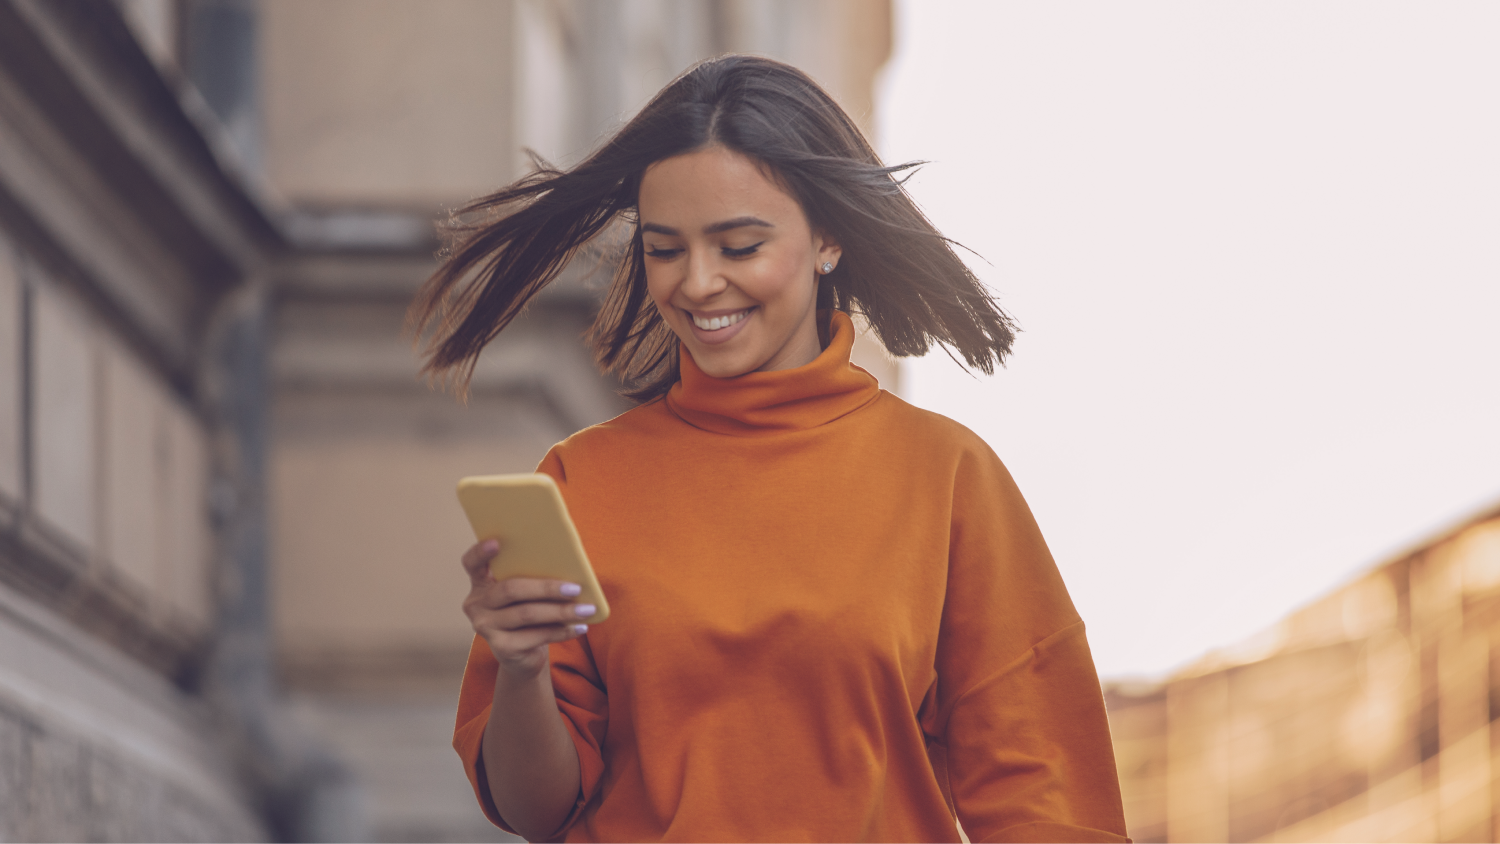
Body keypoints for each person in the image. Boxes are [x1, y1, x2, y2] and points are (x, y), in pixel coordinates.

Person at [409, 55, 1130, 844]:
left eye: (739, 245)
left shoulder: (947, 476)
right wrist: (521, 669)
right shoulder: (582, 481)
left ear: (827, 240)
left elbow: (1044, 798)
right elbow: (534, 810)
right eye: (665, 249)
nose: (697, 283)